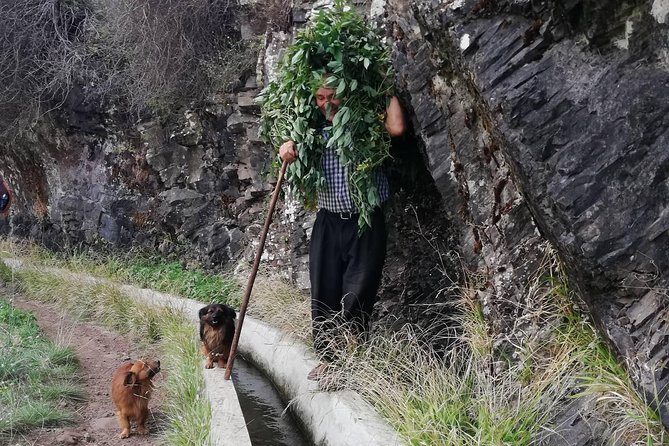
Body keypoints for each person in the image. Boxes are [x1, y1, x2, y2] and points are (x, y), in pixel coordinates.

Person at [279, 80, 406, 380]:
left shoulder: (365, 127)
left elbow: (397, 129)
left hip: (365, 220)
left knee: (358, 292)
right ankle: (328, 358)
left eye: (332, 96)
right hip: (328, 222)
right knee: (324, 290)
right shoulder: (309, 134)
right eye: (320, 98)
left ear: (346, 95)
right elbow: (291, 155)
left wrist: (384, 88)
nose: (326, 103)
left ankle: (349, 360)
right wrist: (286, 148)